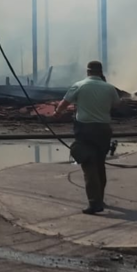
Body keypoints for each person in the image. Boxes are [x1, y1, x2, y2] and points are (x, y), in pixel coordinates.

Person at [54, 61, 120, 215]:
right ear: (100, 72)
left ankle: (94, 203)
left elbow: (64, 103)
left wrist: (57, 113)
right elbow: (117, 105)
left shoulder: (79, 85)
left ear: (88, 71)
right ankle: (100, 198)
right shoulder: (110, 87)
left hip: (85, 130)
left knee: (88, 166)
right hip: (104, 130)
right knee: (100, 164)